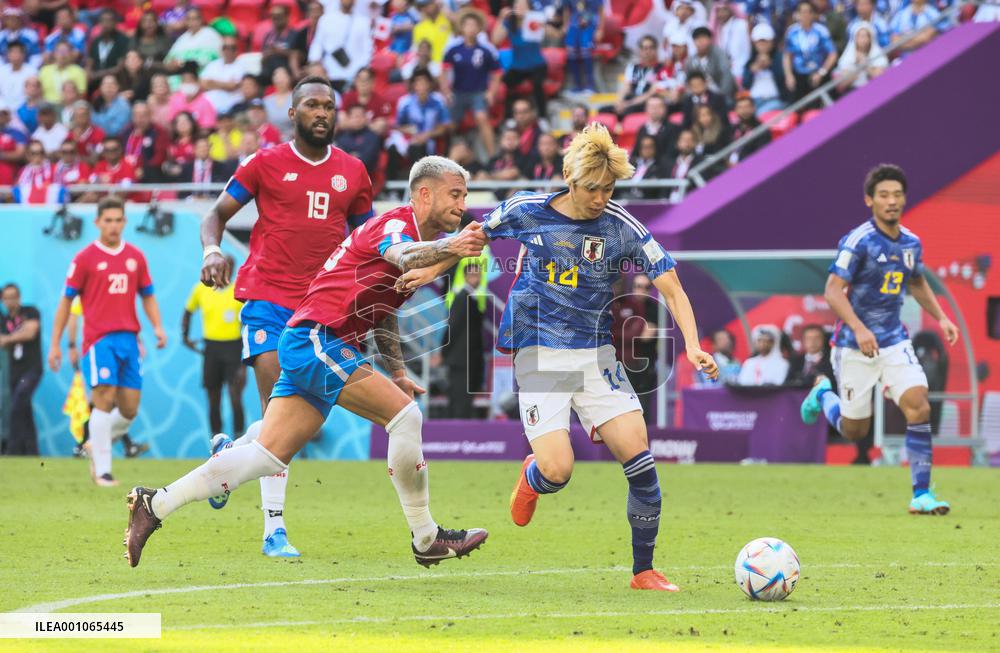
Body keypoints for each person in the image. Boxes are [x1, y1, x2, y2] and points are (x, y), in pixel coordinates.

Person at [124, 157, 489, 569]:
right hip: (318, 337)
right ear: (425, 194)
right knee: (405, 418)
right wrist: (451, 248)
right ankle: (426, 537)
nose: (462, 204)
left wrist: (399, 372)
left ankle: (155, 504)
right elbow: (404, 256)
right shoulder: (397, 226)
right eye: (455, 194)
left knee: (267, 456)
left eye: (464, 196)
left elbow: (383, 310)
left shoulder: (415, 238)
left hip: (310, 341)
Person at [399, 123, 719, 590]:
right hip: (539, 352)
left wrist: (692, 344)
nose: (600, 197)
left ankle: (643, 570)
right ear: (570, 180)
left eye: (609, 188)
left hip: (596, 354)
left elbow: (671, 285)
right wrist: (428, 269)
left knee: (642, 463)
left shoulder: (621, 226)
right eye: (593, 188)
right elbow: (473, 240)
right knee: (558, 470)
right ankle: (532, 477)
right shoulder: (528, 210)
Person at [194, 76, 374, 558]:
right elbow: (215, 215)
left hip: (321, 309)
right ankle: (273, 529)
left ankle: (230, 456)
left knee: (296, 423)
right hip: (267, 300)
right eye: (312, 105)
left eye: (329, 106)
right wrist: (212, 250)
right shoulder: (264, 163)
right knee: (278, 408)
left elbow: (365, 243)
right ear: (292, 113)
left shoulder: (353, 172)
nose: (322, 112)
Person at [800, 164, 959, 515]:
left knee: (919, 404)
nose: (892, 201)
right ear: (869, 200)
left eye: (898, 195)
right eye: (884, 195)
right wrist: (858, 327)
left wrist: (942, 317)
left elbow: (916, 282)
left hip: (893, 341)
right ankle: (823, 394)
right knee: (855, 431)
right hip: (854, 347)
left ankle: (921, 494)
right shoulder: (859, 240)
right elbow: (832, 291)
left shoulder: (911, 243)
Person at [47, 196, 167, 486]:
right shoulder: (84, 259)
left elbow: (147, 295)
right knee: (103, 398)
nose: (113, 226)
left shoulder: (136, 257)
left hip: (129, 339)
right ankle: (103, 471)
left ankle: (95, 443)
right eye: (108, 220)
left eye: (118, 220)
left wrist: (158, 327)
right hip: (99, 340)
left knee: (129, 409)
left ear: (125, 222)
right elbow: (66, 302)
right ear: (97, 222)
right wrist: (55, 344)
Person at [183, 255, 246, 439]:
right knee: (213, 397)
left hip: (234, 348)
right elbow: (188, 311)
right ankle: (216, 440)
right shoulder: (201, 290)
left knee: (235, 395)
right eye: (223, 267)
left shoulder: (238, 291)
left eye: (231, 267)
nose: (227, 271)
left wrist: (245, 360)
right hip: (211, 349)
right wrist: (185, 337)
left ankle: (239, 440)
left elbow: (249, 322)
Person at [442, 10, 500, 158]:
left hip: (478, 92)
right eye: (468, 25)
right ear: (462, 28)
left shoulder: (486, 50)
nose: (471, 28)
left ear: (479, 28)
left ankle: (493, 157)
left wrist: (491, 92)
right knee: (449, 125)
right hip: (458, 92)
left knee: (481, 117)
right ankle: (443, 157)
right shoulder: (453, 49)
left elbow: (497, 73)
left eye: (474, 25)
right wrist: (446, 92)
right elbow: (443, 72)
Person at [0, 283, 42, 455]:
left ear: (19, 297)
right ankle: (32, 452)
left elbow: (30, 332)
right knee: (24, 409)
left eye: (14, 297)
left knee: (18, 403)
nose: (11, 301)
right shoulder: (3, 319)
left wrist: (8, 338)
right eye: (7, 297)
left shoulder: (30, 311)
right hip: (14, 371)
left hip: (31, 369)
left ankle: (13, 449)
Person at [441, 262, 486, 418]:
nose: (476, 278)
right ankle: (455, 436)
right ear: (466, 276)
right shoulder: (462, 297)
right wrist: (444, 352)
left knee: (464, 400)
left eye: (479, 274)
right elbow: (452, 327)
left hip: (468, 358)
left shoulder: (471, 298)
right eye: (473, 275)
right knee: (460, 400)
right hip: (461, 359)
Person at [492, 0, 548, 118]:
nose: (520, 8)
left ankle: (543, 117)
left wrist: (544, 27)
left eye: (523, 6)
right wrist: (501, 19)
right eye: (517, 5)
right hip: (518, 66)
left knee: (538, 84)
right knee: (505, 85)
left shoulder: (535, 20)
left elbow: (555, 34)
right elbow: (495, 40)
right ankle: (509, 118)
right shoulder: (510, 23)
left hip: (537, 65)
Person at [307, 0, 373, 92]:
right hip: (329, 74)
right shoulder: (326, 19)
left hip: (353, 77)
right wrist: (315, 64)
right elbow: (317, 44)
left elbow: (367, 50)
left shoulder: (363, 21)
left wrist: (359, 73)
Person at [782, 1, 837, 106]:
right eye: (802, 12)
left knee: (827, 104)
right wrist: (789, 75)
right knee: (797, 107)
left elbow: (832, 54)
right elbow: (787, 55)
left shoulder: (821, 31)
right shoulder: (792, 32)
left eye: (808, 12)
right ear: (797, 14)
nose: (805, 15)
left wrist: (822, 72)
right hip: (799, 75)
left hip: (819, 74)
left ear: (813, 14)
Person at [742, 23, 787, 114]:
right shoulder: (750, 61)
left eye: (765, 41)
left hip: (775, 100)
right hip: (753, 102)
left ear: (771, 42)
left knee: (760, 115)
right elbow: (745, 84)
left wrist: (770, 65)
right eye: (759, 42)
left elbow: (783, 80)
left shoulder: (780, 58)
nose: (762, 45)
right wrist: (753, 70)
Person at [562, 0, 604, 95]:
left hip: (590, 25)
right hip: (573, 25)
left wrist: (600, 29)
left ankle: (590, 86)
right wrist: (565, 25)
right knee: (571, 52)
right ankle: (577, 86)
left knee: (586, 51)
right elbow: (566, 10)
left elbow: (601, 11)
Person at [685, 26, 736, 100]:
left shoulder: (719, 54)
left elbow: (726, 75)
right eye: (697, 38)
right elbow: (688, 83)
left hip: (721, 94)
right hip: (700, 97)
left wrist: (722, 97)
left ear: (710, 40)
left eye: (703, 38)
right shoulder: (690, 61)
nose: (700, 41)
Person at [835, 21, 887, 92]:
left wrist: (865, 65)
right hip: (853, 92)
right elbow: (843, 84)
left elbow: (881, 78)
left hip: (875, 89)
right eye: (860, 36)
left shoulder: (877, 53)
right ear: (855, 38)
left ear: (870, 38)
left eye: (865, 36)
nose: (863, 39)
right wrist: (858, 68)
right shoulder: (848, 57)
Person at [728, 93, 771, 165]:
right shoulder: (731, 130)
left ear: (753, 108)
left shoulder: (761, 130)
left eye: (747, 107)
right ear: (736, 110)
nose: (744, 110)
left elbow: (762, 155)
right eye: (740, 107)